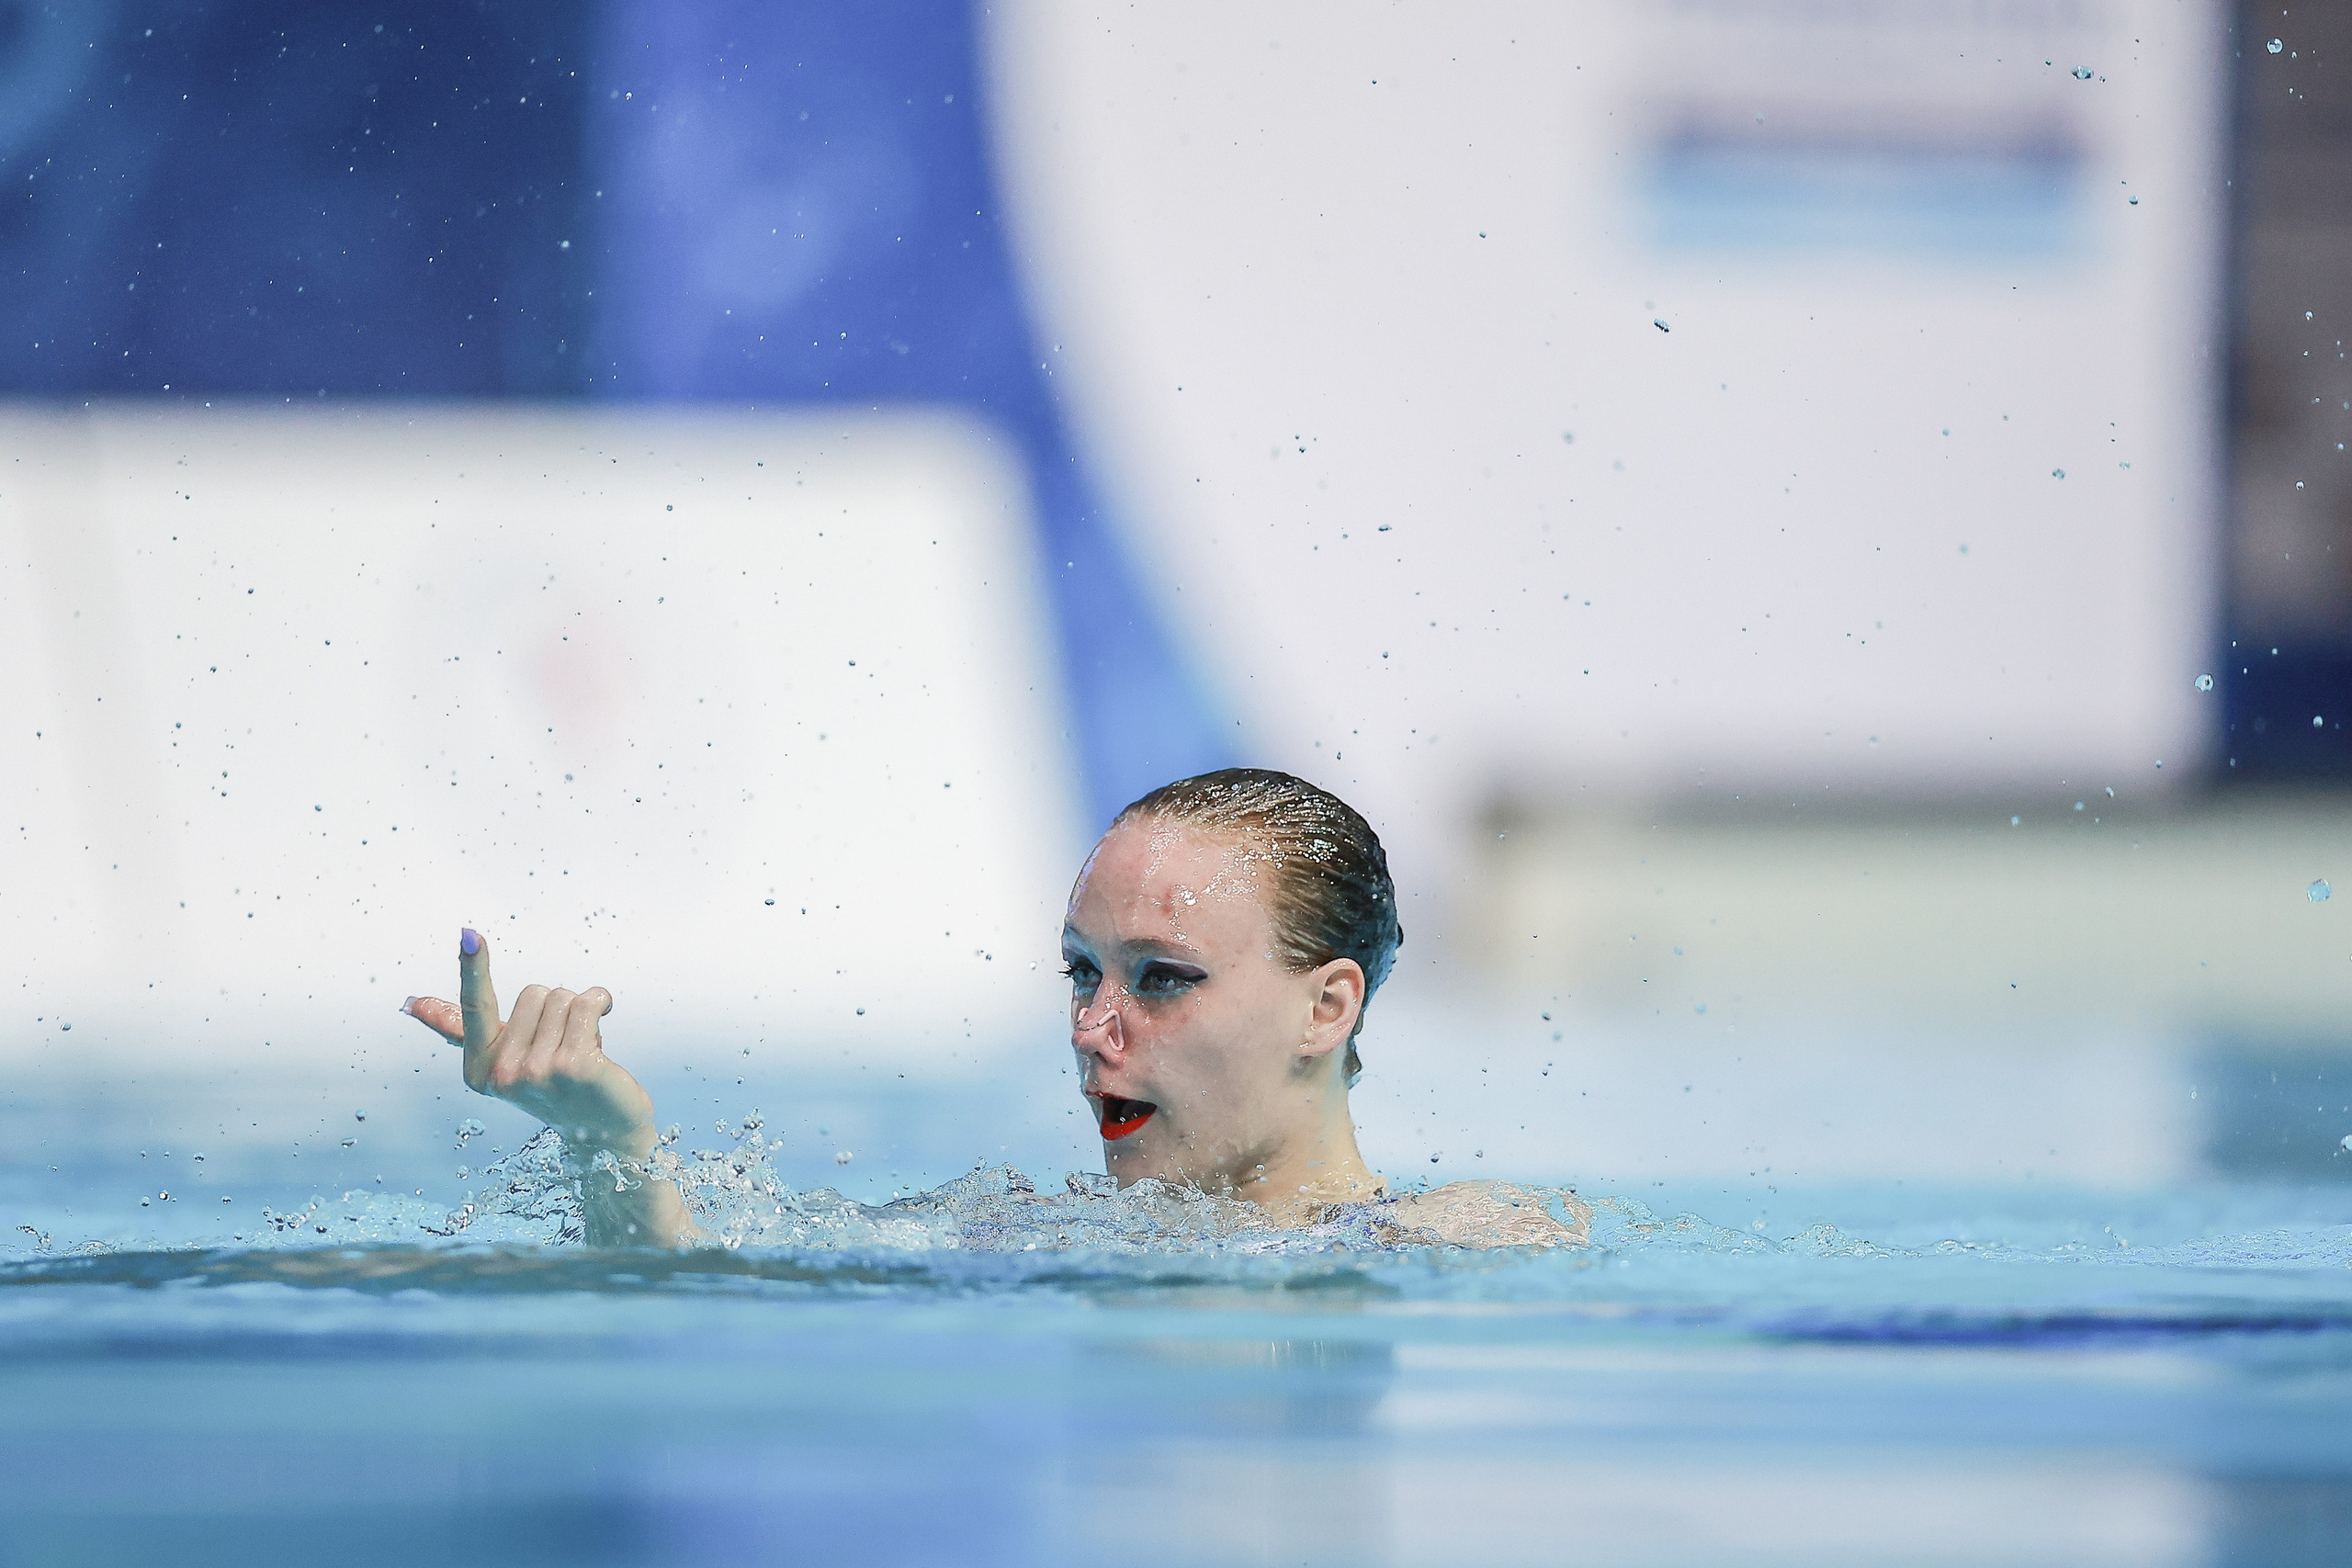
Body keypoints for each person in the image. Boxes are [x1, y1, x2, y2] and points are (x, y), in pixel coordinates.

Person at [401, 768, 1587, 1248]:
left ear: (1328, 1009)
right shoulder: (1019, 1231)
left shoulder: (1458, 1240)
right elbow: (694, 1296)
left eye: (1162, 978)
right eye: (1083, 973)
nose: (1091, 1029)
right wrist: (614, 1151)